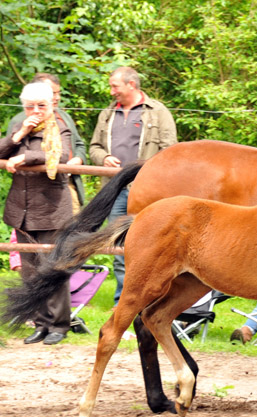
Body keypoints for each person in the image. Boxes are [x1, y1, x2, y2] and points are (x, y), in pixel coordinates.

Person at [90, 66, 177, 306]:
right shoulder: (108, 114)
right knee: (120, 246)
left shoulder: (158, 112)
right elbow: (94, 147)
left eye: (115, 86)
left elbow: (170, 151)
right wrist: (103, 158)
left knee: (150, 248)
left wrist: (148, 173)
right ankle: (122, 303)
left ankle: (148, 301)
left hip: (148, 193)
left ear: (131, 84)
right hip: (116, 190)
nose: (111, 91)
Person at [0, 82, 74, 345]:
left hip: (51, 209)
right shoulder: (19, 125)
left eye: (41, 105)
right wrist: (19, 134)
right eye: (30, 106)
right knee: (29, 272)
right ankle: (41, 323)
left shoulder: (60, 125)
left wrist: (27, 157)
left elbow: (62, 154)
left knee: (52, 267)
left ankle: (59, 325)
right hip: (21, 210)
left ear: (51, 104)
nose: (36, 110)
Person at [7, 73, 86, 214]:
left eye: (58, 93)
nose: (57, 97)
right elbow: (9, 152)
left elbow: (79, 144)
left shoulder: (63, 117)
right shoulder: (20, 121)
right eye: (52, 92)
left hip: (68, 184)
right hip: (35, 190)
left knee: (72, 230)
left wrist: (78, 159)